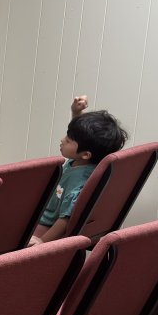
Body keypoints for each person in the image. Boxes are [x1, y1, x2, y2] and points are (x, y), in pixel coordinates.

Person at [30, 96, 128, 245]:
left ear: (86, 154)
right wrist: (76, 112)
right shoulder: (87, 159)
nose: (62, 140)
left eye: (68, 140)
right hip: (46, 212)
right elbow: (81, 137)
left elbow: (65, 219)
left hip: (46, 224)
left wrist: (42, 241)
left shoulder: (78, 182)